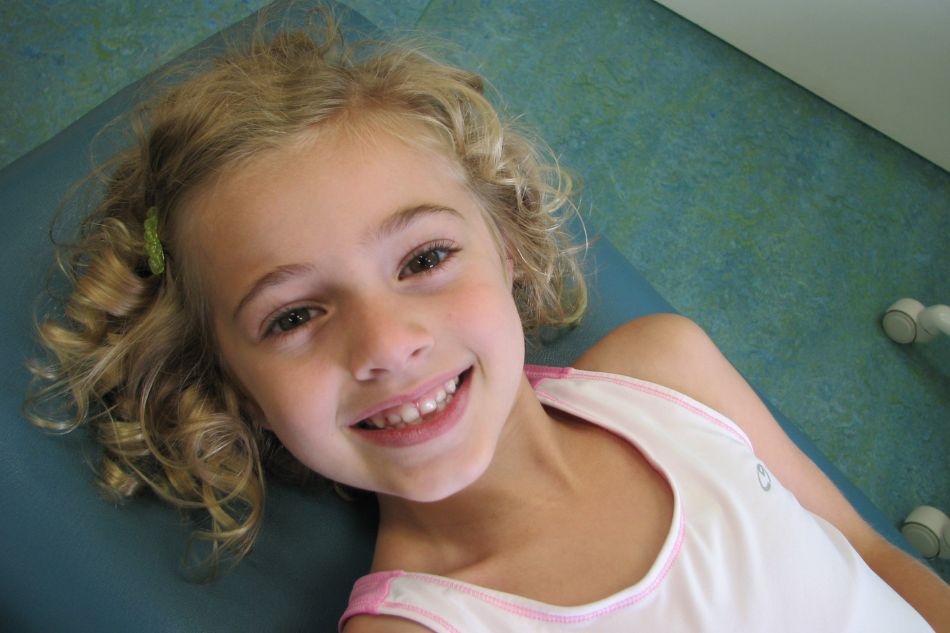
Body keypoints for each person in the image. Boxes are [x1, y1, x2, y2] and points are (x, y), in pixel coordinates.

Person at [25, 13, 949, 633]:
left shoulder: (671, 368)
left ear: (507, 245)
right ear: (232, 384)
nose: (387, 344)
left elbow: (871, 551)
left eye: (424, 259)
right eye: (294, 314)